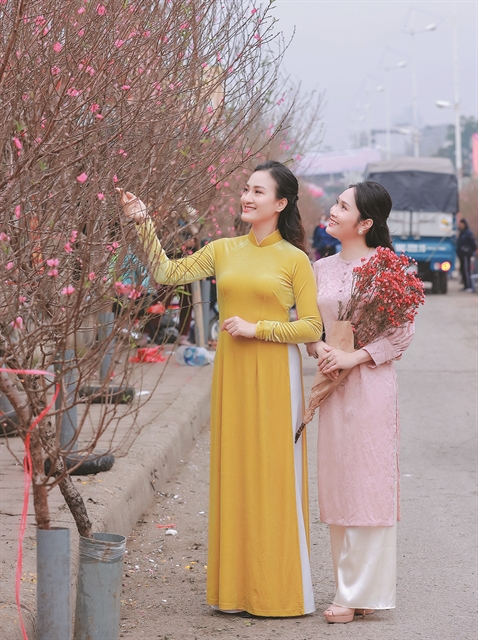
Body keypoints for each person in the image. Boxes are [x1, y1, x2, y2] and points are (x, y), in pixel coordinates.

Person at [117, 160, 322, 617]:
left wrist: (259, 328)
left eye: (259, 192)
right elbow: (167, 273)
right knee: (236, 474)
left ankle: (277, 592)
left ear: (281, 203)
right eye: (246, 189)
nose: (247, 197)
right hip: (232, 375)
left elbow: (311, 327)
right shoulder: (223, 249)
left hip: (275, 377)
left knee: (273, 477)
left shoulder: (294, 259)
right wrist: (143, 222)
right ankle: (236, 591)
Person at [306, 181, 415, 624]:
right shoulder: (321, 267)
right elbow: (309, 322)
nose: (332, 210)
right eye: (335, 202)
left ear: (365, 222)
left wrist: (354, 355)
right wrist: (319, 349)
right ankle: (349, 587)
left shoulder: (390, 269)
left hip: (370, 383)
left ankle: (356, 592)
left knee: (367, 481)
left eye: (342, 206)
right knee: (337, 480)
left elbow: (402, 334)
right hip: (332, 380)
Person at [456, 218, 477, 292]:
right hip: (461, 255)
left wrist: (470, 251)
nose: (460, 226)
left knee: (466, 269)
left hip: (466, 255)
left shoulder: (468, 233)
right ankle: (465, 285)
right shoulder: (461, 233)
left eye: (461, 224)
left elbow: (473, 244)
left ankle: (469, 286)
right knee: (462, 270)